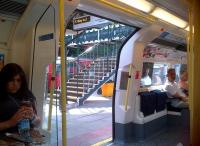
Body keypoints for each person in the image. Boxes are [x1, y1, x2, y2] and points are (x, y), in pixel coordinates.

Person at [0, 63, 40, 134]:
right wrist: (10, 122)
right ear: (4, 80)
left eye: (18, 80)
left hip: (25, 138)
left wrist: (33, 117)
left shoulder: (27, 94)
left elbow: (38, 123)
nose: (15, 84)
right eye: (11, 80)